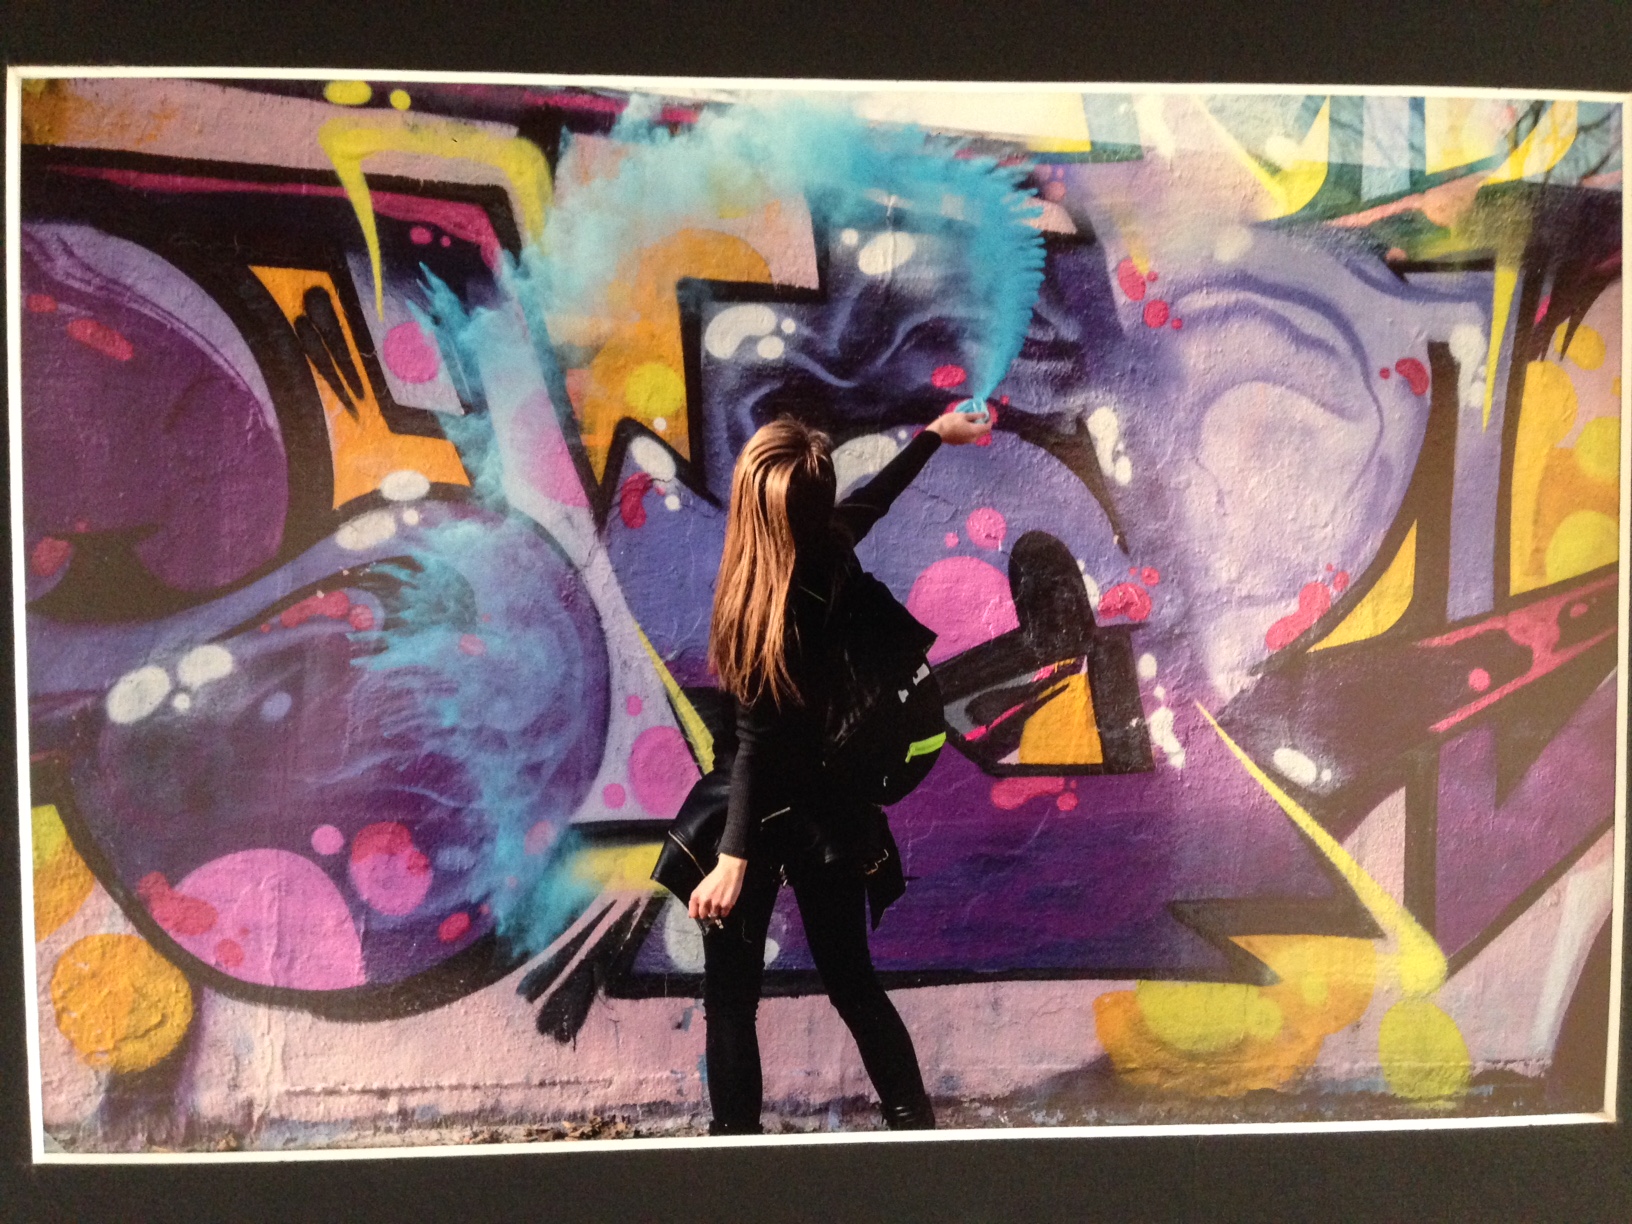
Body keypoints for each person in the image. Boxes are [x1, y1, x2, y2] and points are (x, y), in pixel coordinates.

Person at [693, 406, 992, 1135]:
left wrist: (732, 860)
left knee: (731, 1002)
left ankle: (735, 1160)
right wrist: (932, 435)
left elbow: (754, 747)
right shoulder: (829, 547)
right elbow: (874, 499)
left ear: (754, 510)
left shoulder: (764, 609)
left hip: (757, 811)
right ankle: (914, 1133)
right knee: (854, 985)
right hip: (830, 810)